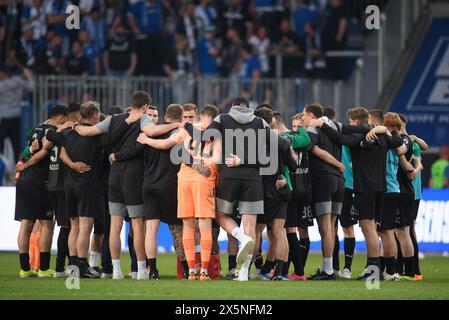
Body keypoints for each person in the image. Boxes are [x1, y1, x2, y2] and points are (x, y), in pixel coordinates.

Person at [74, 91, 177, 280]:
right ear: (146, 106)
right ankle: (141, 270)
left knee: (115, 226)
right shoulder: (144, 119)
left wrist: (74, 126)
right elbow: (152, 132)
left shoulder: (113, 119)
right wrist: (177, 124)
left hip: (114, 176)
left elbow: (89, 131)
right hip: (133, 177)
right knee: (137, 226)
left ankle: (116, 271)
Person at [312, 107, 403, 280]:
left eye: (350, 122)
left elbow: (339, 136)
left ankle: (373, 271)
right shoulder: (382, 137)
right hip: (381, 188)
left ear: (355, 122)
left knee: (368, 229)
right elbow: (398, 141)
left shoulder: (360, 135)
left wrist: (322, 126)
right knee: (373, 228)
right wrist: (382, 130)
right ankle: (376, 269)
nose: (349, 124)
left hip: (365, 188)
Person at [15, 105, 67, 278]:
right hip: (40, 181)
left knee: (26, 223)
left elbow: (27, 147)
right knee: (47, 224)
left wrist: (22, 163)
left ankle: (24, 269)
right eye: (65, 119)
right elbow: (42, 152)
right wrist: (25, 164)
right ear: (60, 117)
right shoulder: (53, 132)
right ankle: (44, 268)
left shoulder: (35, 128)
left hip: (24, 180)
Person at [0, 67, 35, 161]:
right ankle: (18, 169)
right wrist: (29, 76)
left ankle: (2, 168)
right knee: (15, 144)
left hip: (4, 117)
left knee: (1, 144)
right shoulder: (19, 81)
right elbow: (31, 87)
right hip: (16, 116)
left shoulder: (2, 85)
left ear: (5, 73)